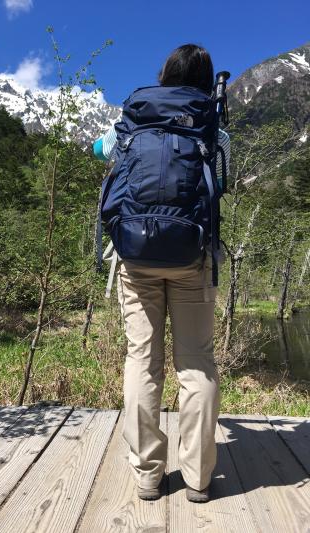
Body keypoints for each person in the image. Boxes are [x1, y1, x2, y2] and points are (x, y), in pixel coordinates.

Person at [93, 44, 230, 503]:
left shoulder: (134, 120)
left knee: (142, 362)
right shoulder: (212, 127)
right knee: (196, 364)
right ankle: (198, 478)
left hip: (135, 258)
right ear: (207, 80)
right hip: (193, 257)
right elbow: (223, 181)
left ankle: (149, 475)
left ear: (164, 74)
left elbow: (102, 152)